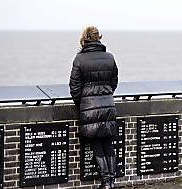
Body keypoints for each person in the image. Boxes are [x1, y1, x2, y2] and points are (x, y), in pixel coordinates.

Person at [69, 26, 118, 189]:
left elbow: (74, 87)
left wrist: (83, 104)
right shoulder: (109, 57)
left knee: (97, 144)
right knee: (108, 142)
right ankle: (112, 181)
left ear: (84, 39)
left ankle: (106, 182)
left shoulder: (79, 59)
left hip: (89, 107)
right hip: (108, 104)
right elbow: (114, 82)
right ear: (99, 38)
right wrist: (106, 96)